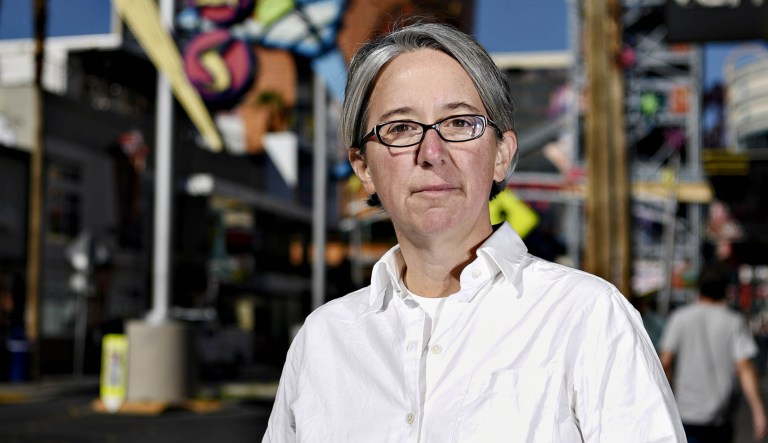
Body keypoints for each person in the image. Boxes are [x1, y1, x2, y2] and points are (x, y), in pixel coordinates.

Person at [263, 20, 685, 442]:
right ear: (364, 168)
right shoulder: (323, 341)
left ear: (501, 155)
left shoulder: (587, 317)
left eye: (460, 123)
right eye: (401, 128)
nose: (431, 153)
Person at [660, 261, 767, 443]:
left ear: (699, 288)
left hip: (685, 411)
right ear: (725, 289)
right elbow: (745, 367)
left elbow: (665, 361)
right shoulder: (733, 321)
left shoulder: (680, 318)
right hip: (720, 415)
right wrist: (758, 410)